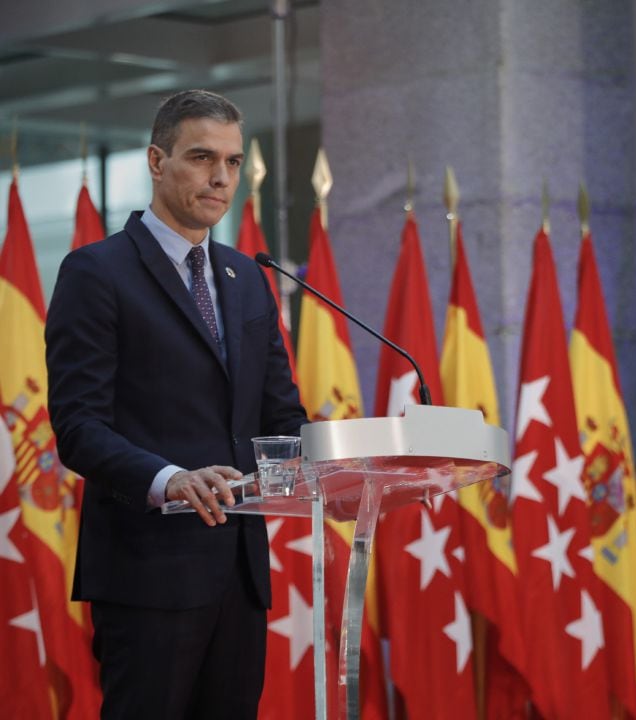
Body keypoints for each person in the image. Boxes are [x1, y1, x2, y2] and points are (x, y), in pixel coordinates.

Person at [46, 89, 307, 719]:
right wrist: (171, 480)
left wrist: (370, 455)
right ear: (157, 161)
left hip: (240, 576)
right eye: (201, 157)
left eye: (233, 162)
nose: (221, 178)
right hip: (147, 572)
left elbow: (282, 417)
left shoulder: (249, 280)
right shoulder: (97, 272)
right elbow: (79, 425)